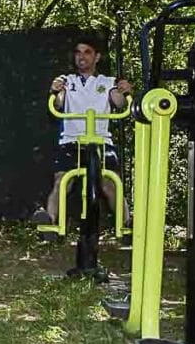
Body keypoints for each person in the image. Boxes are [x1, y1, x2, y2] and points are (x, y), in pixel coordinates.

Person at [32, 36, 133, 235]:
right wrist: (55, 91)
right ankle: (51, 222)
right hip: (72, 140)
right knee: (62, 180)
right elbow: (59, 103)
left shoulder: (107, 82)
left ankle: (127, 224)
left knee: (110, 183)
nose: (82, 57)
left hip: (100, 140)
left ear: (97, 57)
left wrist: (124, 91)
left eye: (87, 52)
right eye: (78, 52)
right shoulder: (67, 81)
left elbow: (119, 103)